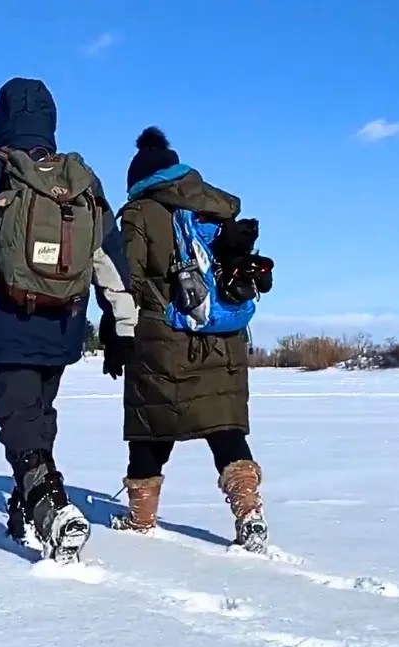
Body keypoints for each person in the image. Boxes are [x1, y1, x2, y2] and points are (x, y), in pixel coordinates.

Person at [0, 77, 137, 563]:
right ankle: (26, 503)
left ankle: (50, 507)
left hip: (6, 313)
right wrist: (121, 324)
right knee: (38, 412)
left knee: (18, 417)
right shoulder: (81, 180)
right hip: (65, 320)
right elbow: (109, 257)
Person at [100, 126, 269, 554]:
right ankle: (248, 510)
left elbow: (127, 279)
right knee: (225, 428)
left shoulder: (140, 214)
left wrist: (114, 326)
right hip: (223, 338)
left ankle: (141, 520)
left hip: (163, 339)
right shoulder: (216, 208)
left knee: (150, 428)